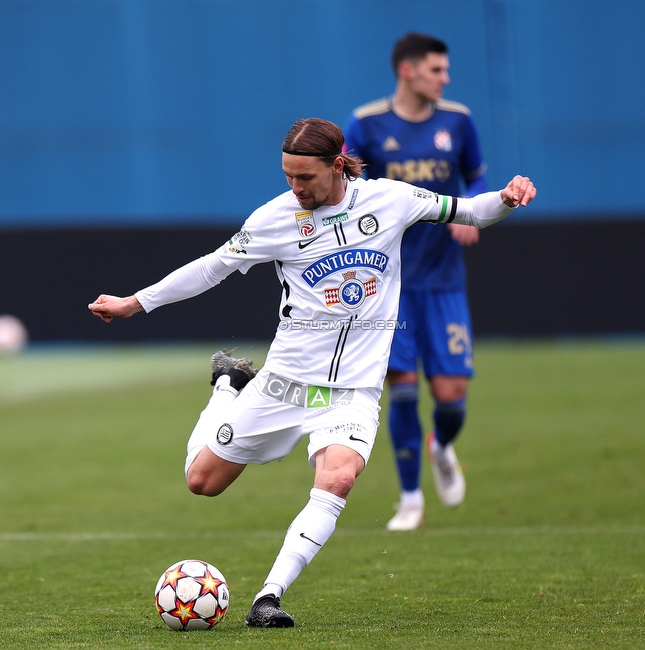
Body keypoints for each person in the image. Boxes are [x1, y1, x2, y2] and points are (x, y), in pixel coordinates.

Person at [88, 118, 535, 627]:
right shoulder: (274, 219)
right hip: (286, 383)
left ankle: (267, 598)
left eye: (306, 178)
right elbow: (212, 267)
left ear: (338, 165)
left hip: (353, 389)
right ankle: (228, 385)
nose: (296, 188)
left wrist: (507, 195)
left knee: (339, 476)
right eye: (288, 177)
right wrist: (134, 303)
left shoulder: (389, 199)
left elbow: (471, 212)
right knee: (201, 481)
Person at [343, 32, 490, 531]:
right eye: (436, 70)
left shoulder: (459, 121)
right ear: (407, 71)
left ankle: (441, 444)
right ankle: (409, 499)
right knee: (401, 385)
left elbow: (476, 179)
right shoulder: (365, 125)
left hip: (445, 280)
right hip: (389, 286)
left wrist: (468, 212)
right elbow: (344, 186)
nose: (445, 79)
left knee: (450, 395)